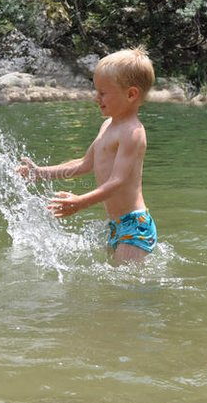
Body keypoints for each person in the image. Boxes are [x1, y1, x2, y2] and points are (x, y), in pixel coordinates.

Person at [17, 47, 157, 264]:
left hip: (134, 225)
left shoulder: (133, 133)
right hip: (116, 225)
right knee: (116, 283)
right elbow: (84, 164)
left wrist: (81, 202)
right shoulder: (107, 126)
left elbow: (118, 182)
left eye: (103, 93)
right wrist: (40, 173)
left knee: (127, 288)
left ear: (131, 94)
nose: (96, 98)